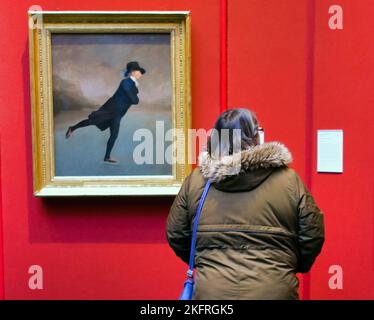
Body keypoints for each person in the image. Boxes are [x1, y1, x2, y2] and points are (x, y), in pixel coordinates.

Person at [166, 108, 325, 300]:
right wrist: (288, 263)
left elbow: (176, 233)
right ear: (255, 136)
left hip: (213, 294)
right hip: (275, 291)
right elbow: (313, 233)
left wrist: (206, 259)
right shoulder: (289, 181)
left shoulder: (196, 182)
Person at [65, 61, 146, 164]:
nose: (140, 73)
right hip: (111, 109)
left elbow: (134, 99)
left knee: (114, 135)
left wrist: (133, 99)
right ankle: (72, 128)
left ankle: (107, 157)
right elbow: (134, 100)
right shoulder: (126, 82)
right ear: (132, 72)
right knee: (92, 121)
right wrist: (133, 99)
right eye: (139, 71)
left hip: (118, 113)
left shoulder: (133, 85)